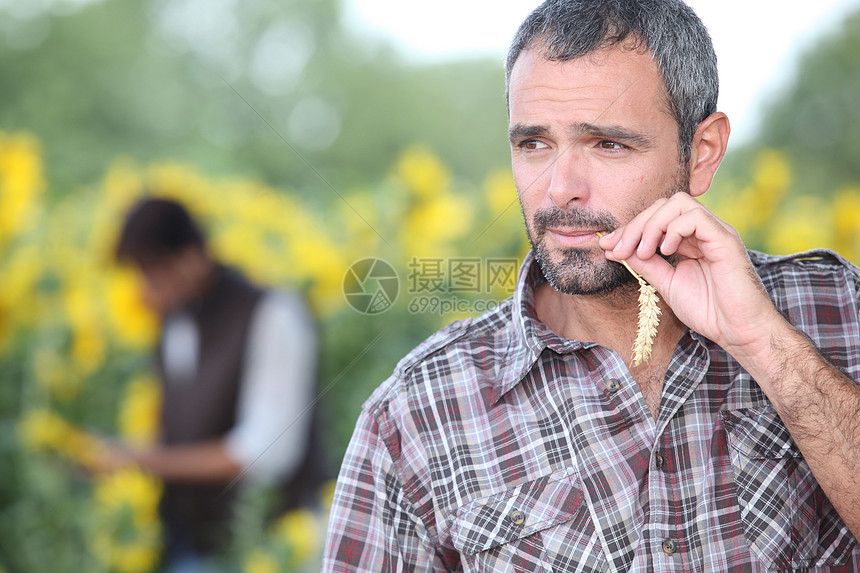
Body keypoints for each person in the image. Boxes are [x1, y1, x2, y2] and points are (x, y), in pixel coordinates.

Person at [322, 0, 860, 571]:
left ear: (701, 155)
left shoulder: (835, 310)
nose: (559, 189)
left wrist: (765, 344)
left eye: (609, 144)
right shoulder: (418, 411)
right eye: (534, 144)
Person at [106, 198, 329, 570]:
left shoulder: (273, 314)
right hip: (187, 543)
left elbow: (264, 454)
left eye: (151, 273)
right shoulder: (172, 322)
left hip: (270, 550)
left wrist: (135, 460)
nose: (142, 292)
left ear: (191, 257)